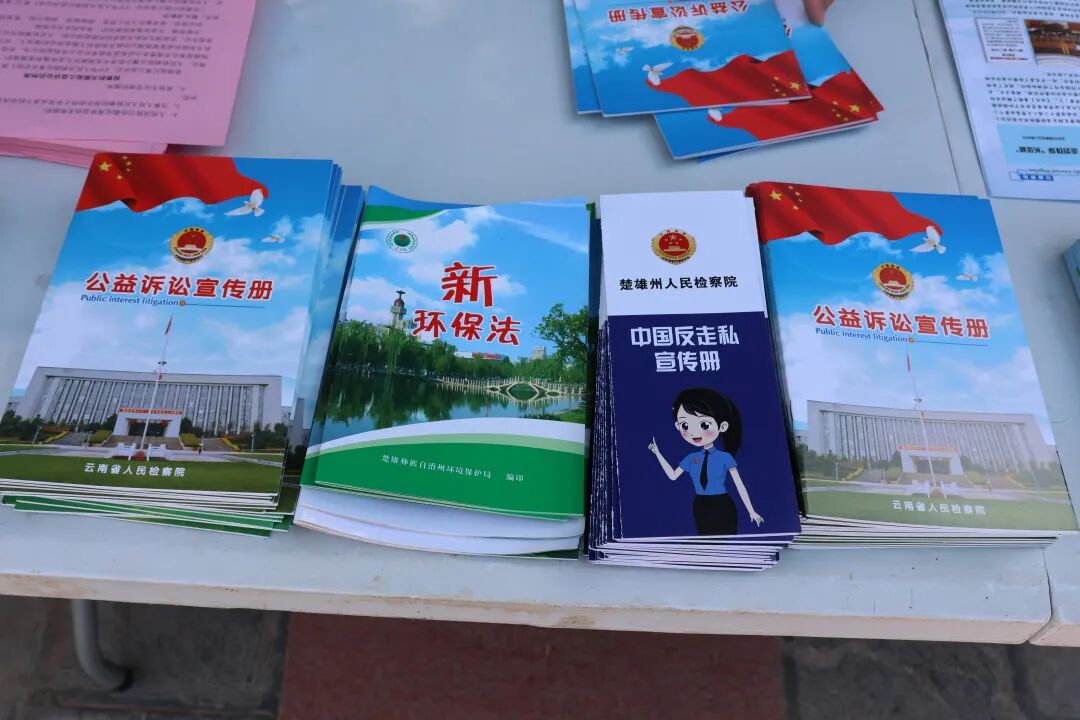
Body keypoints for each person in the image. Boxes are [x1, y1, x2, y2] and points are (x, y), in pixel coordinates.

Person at [647, 388, 765, 536]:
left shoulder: (725, 458)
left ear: (722, 426)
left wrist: (751, 511)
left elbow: (739, 485)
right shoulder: (691, 458)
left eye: (704, 425)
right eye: (685, 425)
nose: (693, 432)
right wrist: (657, 453)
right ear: (678, 426)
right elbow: (672, 475)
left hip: (722, 504)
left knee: (726, 539)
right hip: (701, 505)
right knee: (706, 541)